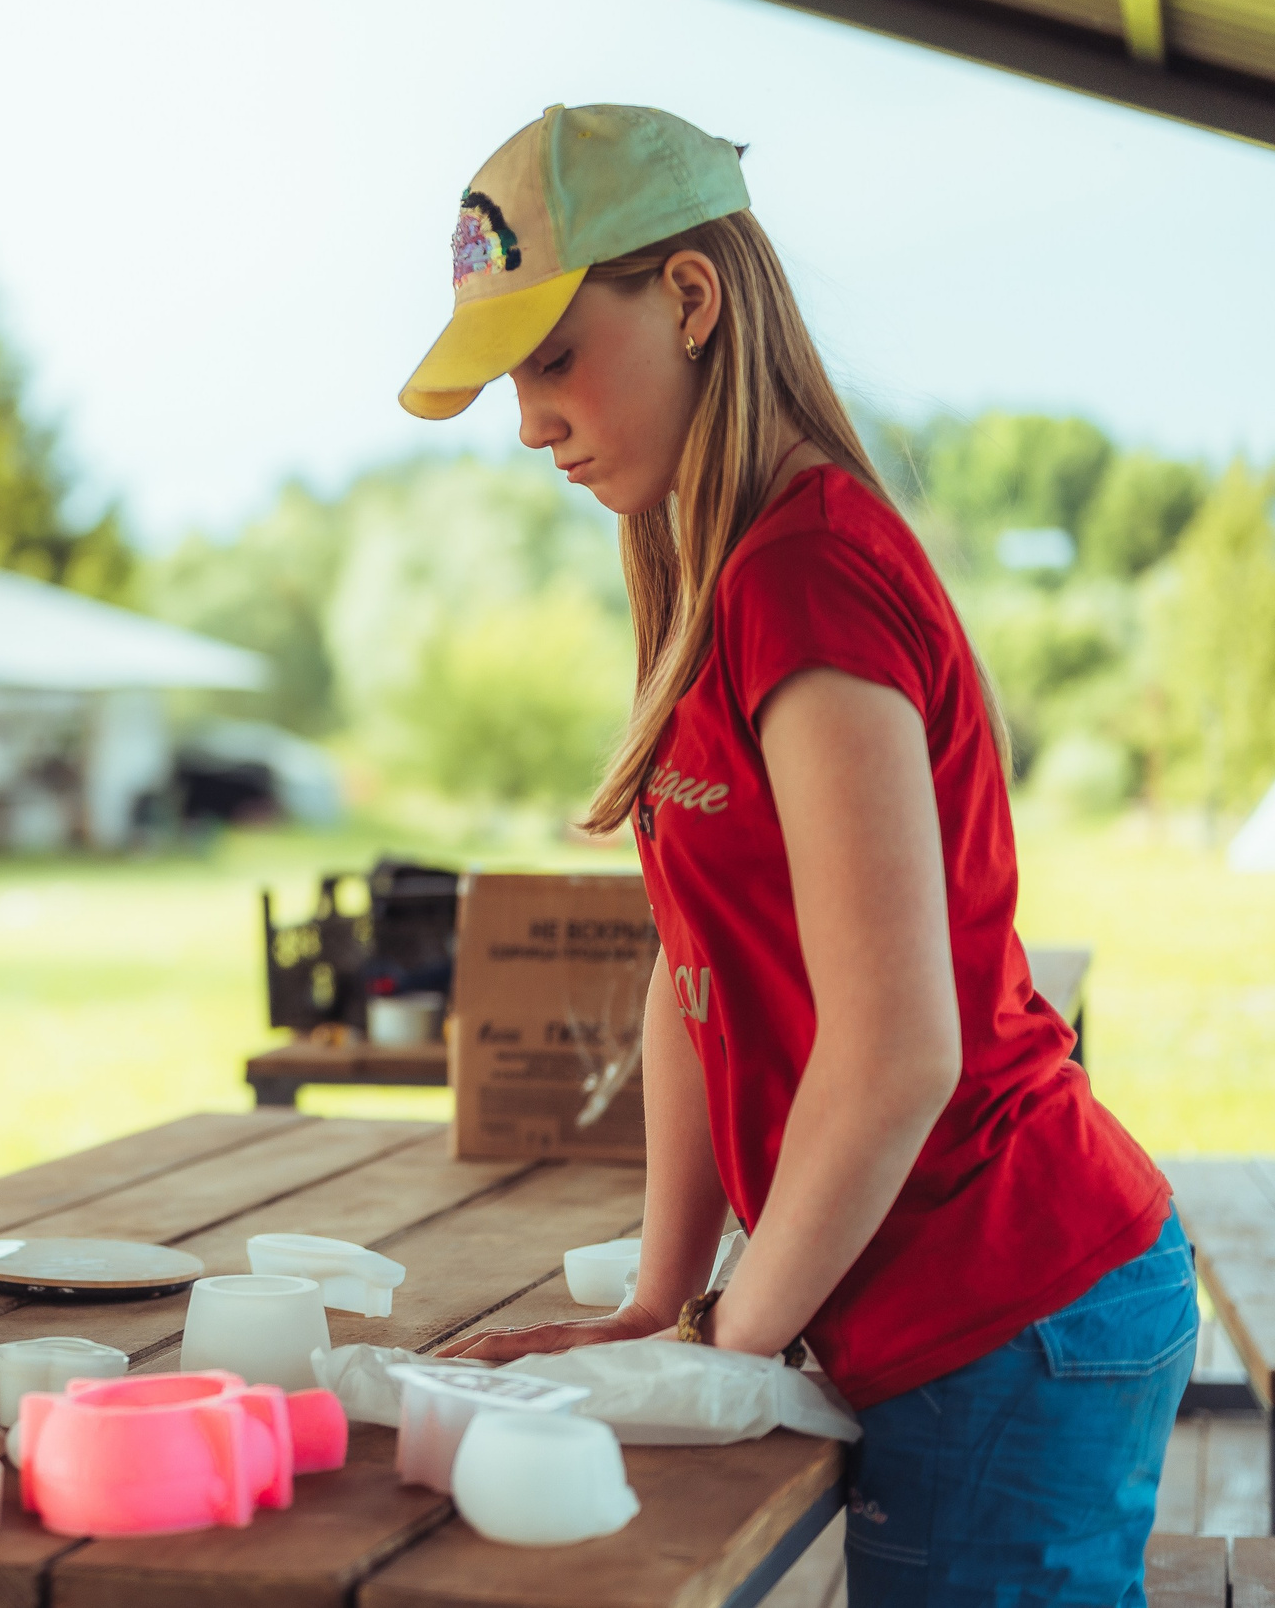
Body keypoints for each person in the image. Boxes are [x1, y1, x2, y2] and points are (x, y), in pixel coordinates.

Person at [409, 107, 1193, 1604]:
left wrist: (727, 1347)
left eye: (557, 356)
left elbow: (897, 1052)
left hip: (1012, 1303)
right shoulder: (718, 578)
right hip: (932, 1303)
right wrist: (662, 1293)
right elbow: (690, 968)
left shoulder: (808, 571)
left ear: (692, 298)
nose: (529, 422)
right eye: (514, 378)